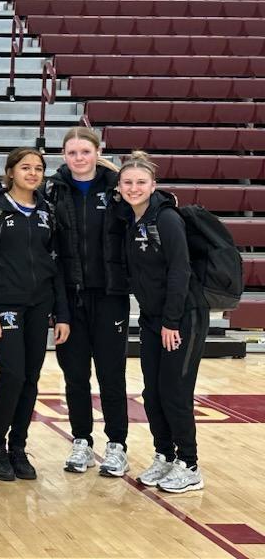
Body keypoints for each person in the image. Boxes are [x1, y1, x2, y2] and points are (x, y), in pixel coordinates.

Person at [111, 152, 207, 494]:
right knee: (152, 393)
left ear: (153, 186)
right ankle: (165, 454)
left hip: (183, 317)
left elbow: (180, 270)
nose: (134, 188)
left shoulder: (166, 219)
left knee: (175, 392)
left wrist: (171, 321)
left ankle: (190, 465)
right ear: (119, 187)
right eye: (127, 182)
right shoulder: (131, 220)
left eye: (140, 182)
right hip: (153, 318)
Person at [0, 147, 69, 482]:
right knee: (12, 375)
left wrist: (62, 314)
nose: (32, 173)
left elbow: (56, 265)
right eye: (25, 167)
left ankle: (18, 448)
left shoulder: (48, 212)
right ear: (11, 172)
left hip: (40, 304)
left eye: (38, 168)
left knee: (30, 378)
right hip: (6, 305)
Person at [44, 127, 130, 477]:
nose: (78, 158)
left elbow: (153, 200)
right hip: (69, 297)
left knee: (112, 375)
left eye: (85, 151)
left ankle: (117, 445)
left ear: (98, 152)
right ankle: (81, 440)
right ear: (63, 155)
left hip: (110, 295)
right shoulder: (53, 190)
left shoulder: (117, 189)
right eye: (72, 152)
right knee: (75, 375)